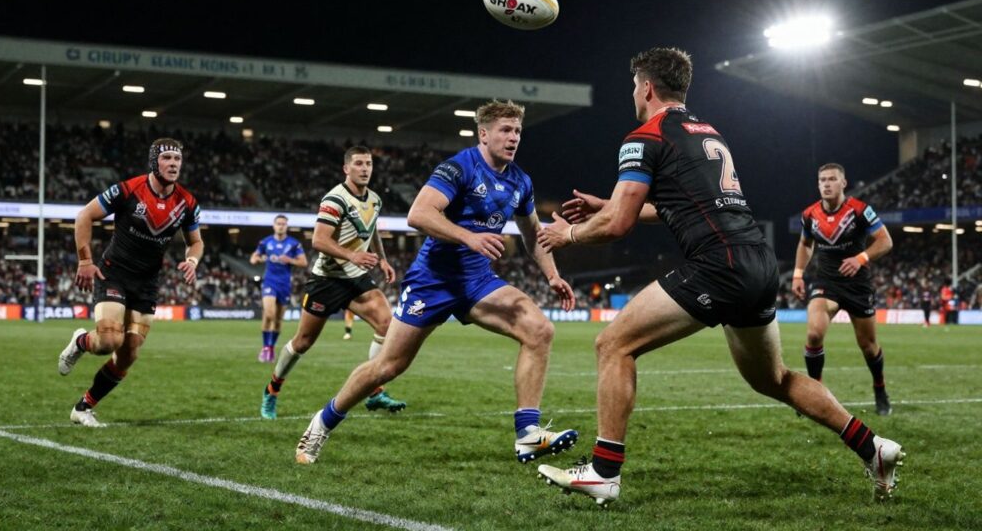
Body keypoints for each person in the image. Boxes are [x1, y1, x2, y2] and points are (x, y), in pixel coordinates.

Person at [534, 48, 903, 506]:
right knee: (773, 379)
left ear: (646, 87)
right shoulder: (707, 132)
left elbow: (618, 226)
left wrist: (566, 234)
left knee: (613, 344)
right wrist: (606, 204)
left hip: (718, 265)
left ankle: (604, 472)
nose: (633, 93)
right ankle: (873, 447)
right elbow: (682, 205)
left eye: (634, 85)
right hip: (758, 262)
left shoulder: (644, 135)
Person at [292, 100, 578, 466]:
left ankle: (527, 435)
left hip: (477, 282)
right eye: (505, 130)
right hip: (433, 281)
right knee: (388, 366)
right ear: (484, 133)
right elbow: (419, 213)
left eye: (518, 131)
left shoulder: (520, 181)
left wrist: (553, 275)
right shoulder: (459, 167)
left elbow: (533, 233)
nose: (513, 138)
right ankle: (322, 422)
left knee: (540, 330)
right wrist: (468, 237)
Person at [57, 138, 202, 427]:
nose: (174, 164)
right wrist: (85, 261)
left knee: (128, 353)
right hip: (114, 273)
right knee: (109, 340)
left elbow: (195, 242)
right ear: (154, 161)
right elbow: (84, 215)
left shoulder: (187, 203)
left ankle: (83, 407)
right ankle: (81, 341)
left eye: (177, 159)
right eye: (167, 158)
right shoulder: (128, 190)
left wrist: (192, 260)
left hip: (147, 283)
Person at [260, 146, 406, 420]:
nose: (365, 169)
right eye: (359, 164)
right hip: (326, 280)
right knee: (303, 342)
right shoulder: (334, 199)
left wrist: (382, 259)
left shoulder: (374, 199)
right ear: (346, 168)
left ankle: (374, 391)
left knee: (388, 324)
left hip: (355, 276)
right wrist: (353, 254)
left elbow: (371, 228)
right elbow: (318, 240)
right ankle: (272, 390)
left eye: (369, 164)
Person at [791, 163, 894, 415]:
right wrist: (798, 274)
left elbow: (885, 241)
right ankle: (815, 394)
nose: (826, 184)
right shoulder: (810, 215)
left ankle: (880, 389)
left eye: (832, 179)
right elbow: (805, 244)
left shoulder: (860, 211)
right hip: (826, 282)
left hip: (858, 285)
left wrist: (861, 258)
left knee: (868, 345)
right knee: (814, 334)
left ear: (843, 183)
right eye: (822, 180)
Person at [250, 215, 308, 362]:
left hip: (285, 284)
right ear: (274, 225)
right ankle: (265, 347)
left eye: (283, 224)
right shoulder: (266, 242)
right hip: (270, 281)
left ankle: (270, 348)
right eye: (278, 223)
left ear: (286, 226)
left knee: (277, 320)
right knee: (269, 313)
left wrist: (290, 260)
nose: (281, 226)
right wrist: (258, 259)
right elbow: (253, 258)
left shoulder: (294, 244)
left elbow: (304, 262)